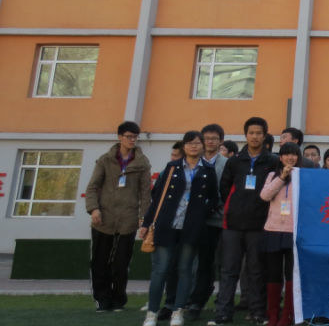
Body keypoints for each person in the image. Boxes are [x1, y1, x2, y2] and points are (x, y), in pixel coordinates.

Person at [141, 131, 220, 326]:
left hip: (191, 228)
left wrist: (201, 212)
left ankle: (178, 311)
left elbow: (213, 198)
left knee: (185, 270)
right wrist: (146, 223)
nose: (194, 146)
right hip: (167, 225)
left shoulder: (208, 170)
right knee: (160, 270)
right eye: (190, 143)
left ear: (202, 146)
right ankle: (152, 313)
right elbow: (157, 197)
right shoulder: (172, 167)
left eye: (197, 143)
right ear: (184, 146)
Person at [213, 117, 280, 325]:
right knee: (229, 270)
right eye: (251, 133)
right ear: (245, 135)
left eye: (259, 133)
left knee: (256, 270)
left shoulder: (272, 161)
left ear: (265, 136)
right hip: (232, 224)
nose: (255, 137)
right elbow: (225, 188)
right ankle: (223, 311)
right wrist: (236, 206)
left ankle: (257, 311)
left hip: (259, 224)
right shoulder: (234, 161)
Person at [86, 121, 152, 313]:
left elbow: (145, 193)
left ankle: (118, 300)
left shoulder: (142, 163)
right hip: (103, 218)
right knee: (100, 261)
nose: (132, 140)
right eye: (129, 136)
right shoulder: (105, 160)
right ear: (120, 137)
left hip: (128, 219)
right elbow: (92, 187)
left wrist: (144, 218)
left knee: (121, 263)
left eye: (135, 137)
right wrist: (94, 209)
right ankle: (102, 299)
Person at [186, 124, 230, 321]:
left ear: (221, 141)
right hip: (192, 220)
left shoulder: (227, 164)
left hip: (217, 220)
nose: (210, 142)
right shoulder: (192, 161)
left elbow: (227, 191)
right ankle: (189, 299)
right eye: (206, 138)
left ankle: (204, 299)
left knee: (212, 262)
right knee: (192, 262)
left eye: (214, 138)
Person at [260, 142, 302, 326]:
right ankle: (273, 314)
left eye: (294, 154)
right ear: (280, 157)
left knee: (291, 274)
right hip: (273, 229)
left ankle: (288, 314)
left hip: (294, 231)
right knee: (273, 273)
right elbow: (265, 196)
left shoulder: (302, 176)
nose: (290, 157)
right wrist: (282, 177)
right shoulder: (272, 175)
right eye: (286, 154)